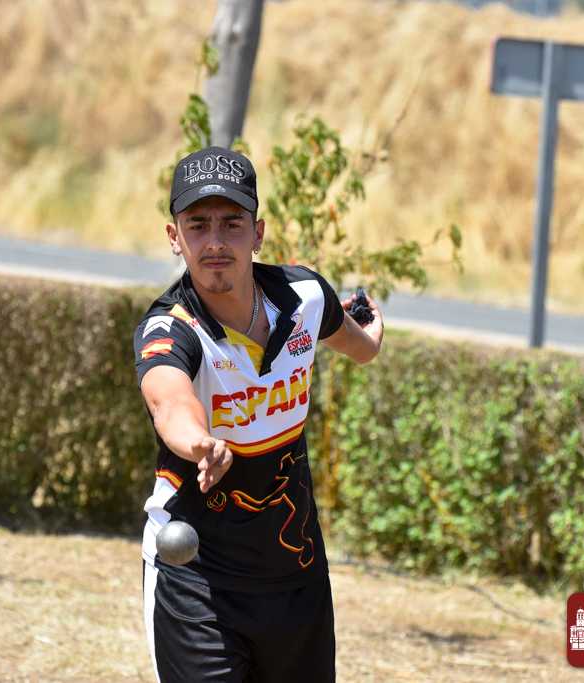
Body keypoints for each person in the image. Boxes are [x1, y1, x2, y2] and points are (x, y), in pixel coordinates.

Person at [133, 146, 383, 683]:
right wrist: (199, 442)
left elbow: (354, 342)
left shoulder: (304, 297)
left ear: (258, 233)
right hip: (198, 581)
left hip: (297, 576)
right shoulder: (171, 328)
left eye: (232, 223)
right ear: (175, 237)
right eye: (198, 225)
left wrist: (370, 340)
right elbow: (169, 399)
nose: (215, 242)